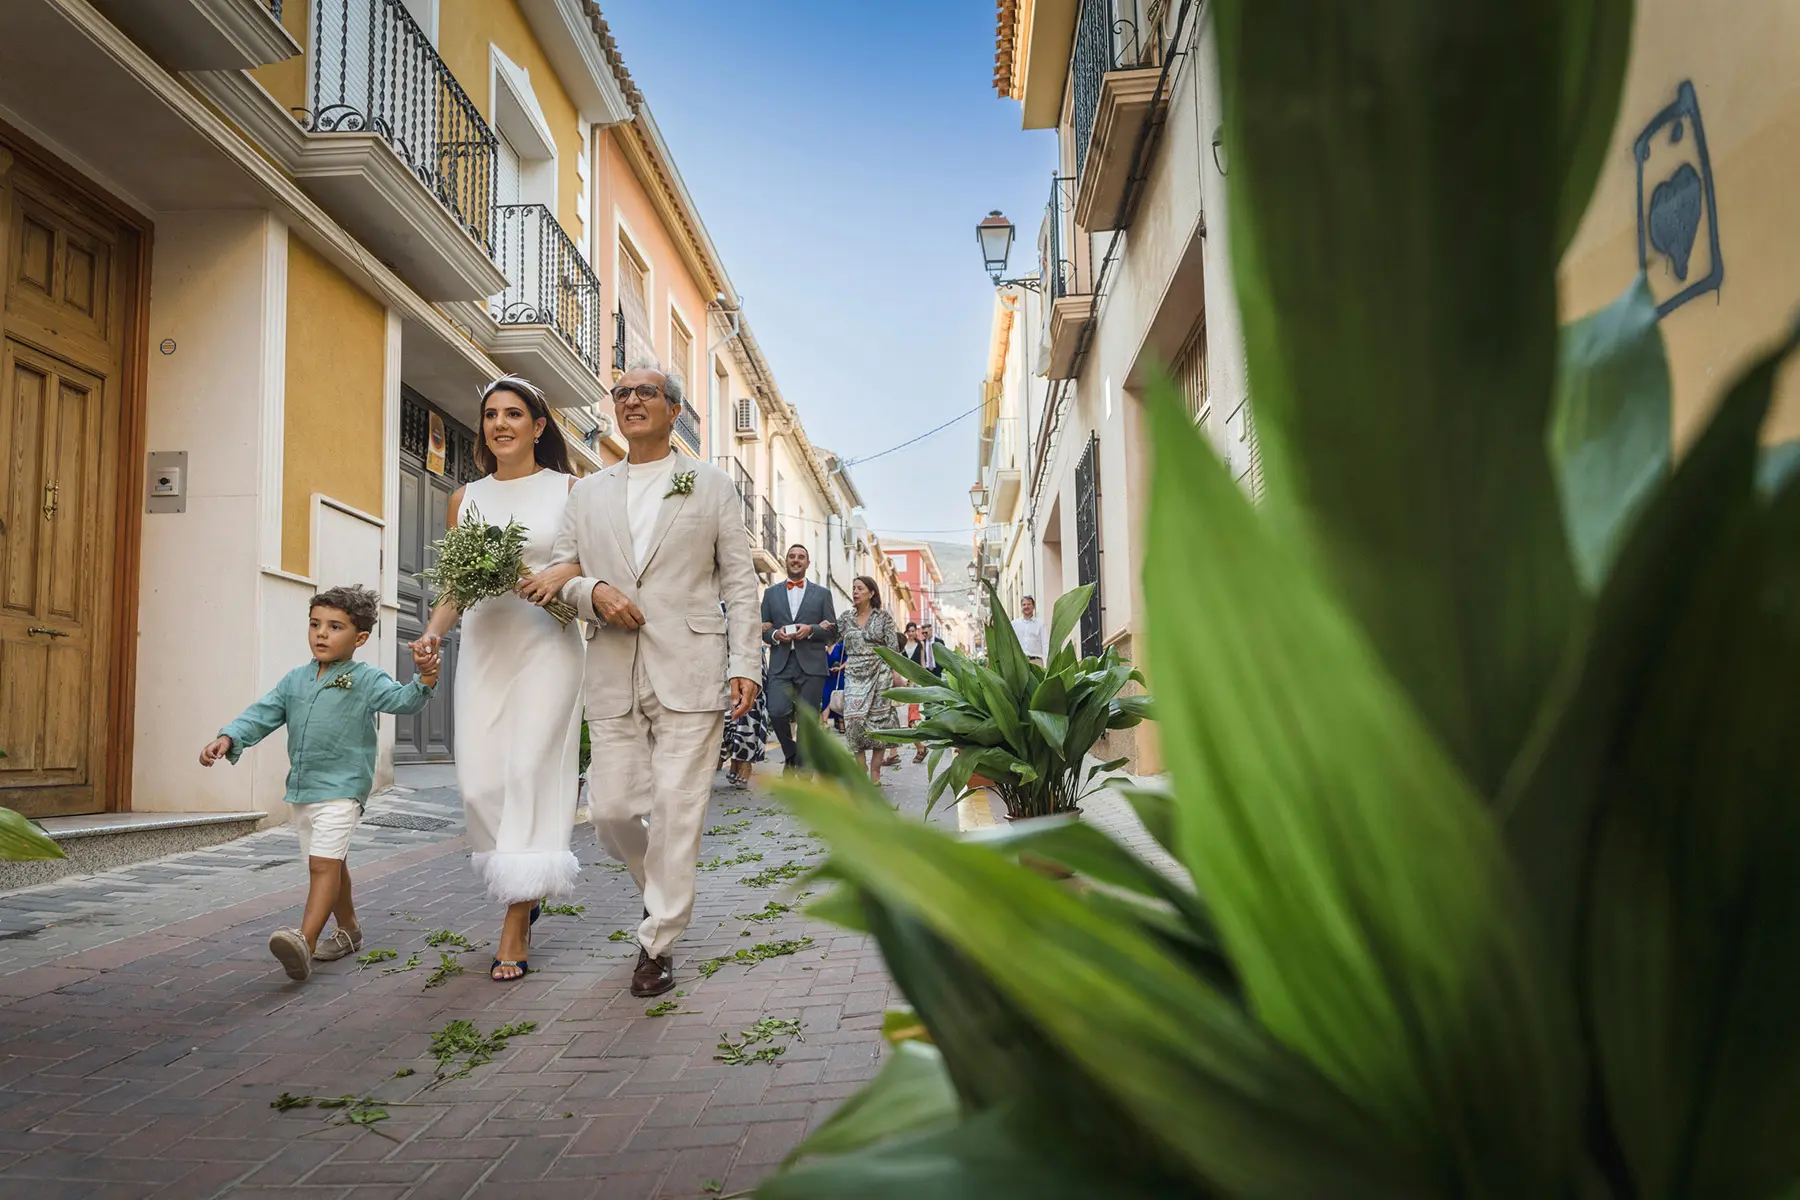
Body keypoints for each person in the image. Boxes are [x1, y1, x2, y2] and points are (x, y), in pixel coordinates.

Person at [550, 359, 761, 998]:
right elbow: (560, 577)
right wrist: (596, 592)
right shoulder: (586, 492)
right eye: (622, 393)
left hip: (691, 664)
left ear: (674, 411)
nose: (631, 400)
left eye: (646, 392)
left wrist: (745, 662)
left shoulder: (712, 485)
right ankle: (661, 893)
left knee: (677, 807)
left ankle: (658, 942)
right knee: (611, 811)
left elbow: (739, 582)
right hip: (612, 664)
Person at [415, 375, 585, 983]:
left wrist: (554, 575)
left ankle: (516, 919)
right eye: (491, 415)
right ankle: (524, 883)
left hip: (547, 644)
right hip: (486, 644)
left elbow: (590, 558)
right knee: (480, 784)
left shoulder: (569, 489)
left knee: (528, 770)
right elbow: (458, 581)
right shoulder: (465, 498)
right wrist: (434, 632)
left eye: (515, 414)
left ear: (539, 426)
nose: (501, 424)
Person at [201, 586, 439, 982]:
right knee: (333, 862)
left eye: (334, 627)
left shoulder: (365, 679)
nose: (321, 634)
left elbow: (403, 701)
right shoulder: (295, 680)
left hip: (344, 790)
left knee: (321, 865)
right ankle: (349, 931)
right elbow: (263, 713)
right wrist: (229, 737)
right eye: (315, 624)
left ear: (360, 638)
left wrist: (426, 676)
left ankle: (303, 941)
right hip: (304, 788)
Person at [759, 545, 838, 770]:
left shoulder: (823, 594)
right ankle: (791, 753)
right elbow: (764, 627)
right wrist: (775, 634)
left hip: (812, 664)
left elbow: (833, 630)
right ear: (786, 561)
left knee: (808, 718)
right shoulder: (771, 593)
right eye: (792, 557)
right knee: (775, 710)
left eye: (801, 557)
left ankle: (802, 769)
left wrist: (811, 629)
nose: (796, 560)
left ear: (807, 563)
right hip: (781, 662)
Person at [840, 575, 903, 786]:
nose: (855, 592)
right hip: (854, 674)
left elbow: (893, 648)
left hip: (880, 673)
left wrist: (896, 672)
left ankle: (875, 772)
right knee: (853, 722)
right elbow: (829, 635)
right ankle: (861, 766)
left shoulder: (883, 617)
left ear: (871, 593)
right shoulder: (846, 618)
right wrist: (817, 627)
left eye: (860, 588)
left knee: (879, 722)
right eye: (854, 588)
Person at [720, 642, 772, 790]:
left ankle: (744, 758)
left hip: (747, 645)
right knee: (724, 709)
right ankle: (734, 754)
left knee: (750, 706)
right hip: (716, 646)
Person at [906, 621, 948, 763]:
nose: (924, 634)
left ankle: (938, 720)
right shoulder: (921, 644)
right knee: (927, 699)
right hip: (922, 675)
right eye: (922, 633)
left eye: (926, 632)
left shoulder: (939, 642)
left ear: (931, 630)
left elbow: (944, 656)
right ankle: (929, 719)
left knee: (938, 698)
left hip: (937, 673)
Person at [1013, 594, 1048, 666]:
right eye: (1024, 604)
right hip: (1020, 663)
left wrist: (1047, 663)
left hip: (1036, 662)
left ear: (1033, 606)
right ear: (1021, 607)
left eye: (1029, 604)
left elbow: (1045, 644)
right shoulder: (1014, 624)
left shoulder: (1040, 624)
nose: (1026, 606)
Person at [820, 640, 847, 733]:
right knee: (825, 698)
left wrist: (840, 667)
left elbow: (848, 659)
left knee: (839, 698)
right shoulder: (821, 647)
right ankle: (824, 723)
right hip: (826, 677)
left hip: (838, 676)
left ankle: (841, 722)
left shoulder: (840, 646)